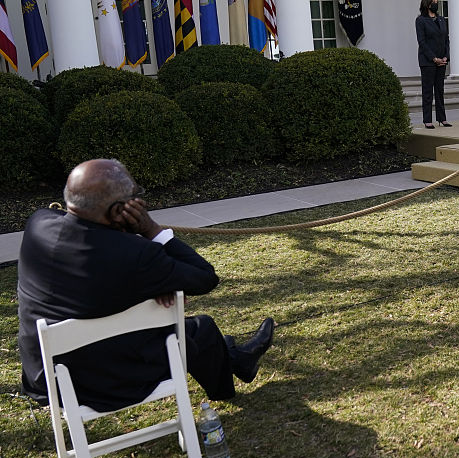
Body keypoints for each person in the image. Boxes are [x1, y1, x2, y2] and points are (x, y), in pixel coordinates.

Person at [17, 159, 276, 413]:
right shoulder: (138, 256)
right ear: (120, 210)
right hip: (108, 382)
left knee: (191, 332)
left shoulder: (38, 223)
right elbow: (205, 276)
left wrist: (154, 282)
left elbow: (98, 266)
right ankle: (233, 366)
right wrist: (150, 229)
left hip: (47, 377)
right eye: (136, 195)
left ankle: (235, 358)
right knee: (200, 329)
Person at [415, 0, 450, 129]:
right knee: (428, 91)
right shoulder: (421, 21)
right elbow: (422, 42)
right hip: (428, 61)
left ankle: (442, 118)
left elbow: (446, 40)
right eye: (434, 2)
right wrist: (434, 58)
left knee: (440, 90)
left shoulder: (441, 19)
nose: (436, 4)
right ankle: (427, 120)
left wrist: (446, 57)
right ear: (427, 4)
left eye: (437, 2)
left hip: (442, 60)